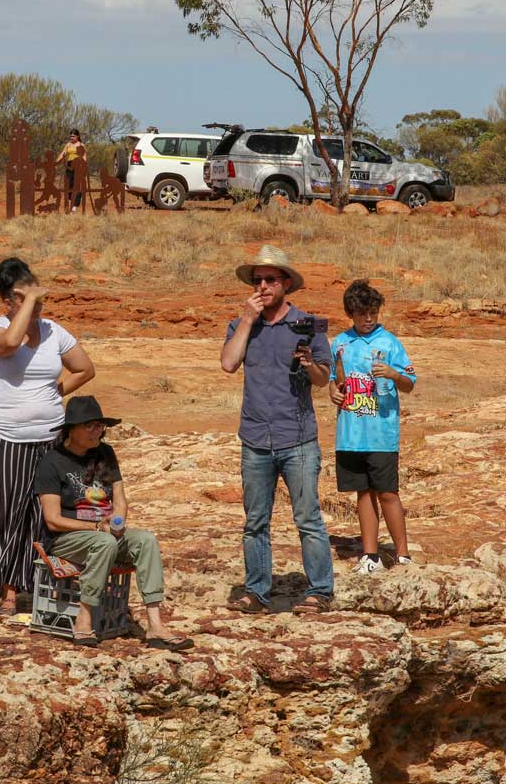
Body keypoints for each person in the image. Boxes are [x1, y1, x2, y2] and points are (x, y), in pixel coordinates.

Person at [218, 243, 334, 613]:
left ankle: (319, 591)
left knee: (308, 518)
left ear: (286, 283)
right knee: (255, 522)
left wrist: (308, 362)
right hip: (255, 438)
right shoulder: (241, 326)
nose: (263, 287)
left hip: (297, 438)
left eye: (271, 279)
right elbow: (228, 363)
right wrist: (248, 319)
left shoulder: (306, 325)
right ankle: (257, 592)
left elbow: (322, 378)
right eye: (258, 281)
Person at [0, 256, 96, 614]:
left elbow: (85, 368)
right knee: (6, 514)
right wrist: (28, 302)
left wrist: (52, 393)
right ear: (9, 300)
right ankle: (7, 590)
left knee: (42, 514)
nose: (37, 305)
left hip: (47, 437)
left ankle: (38, 585)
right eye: (25, 297)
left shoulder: (53, 331)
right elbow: (11, 343)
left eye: (39, 298)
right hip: (3, 436)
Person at [34, 396, 190, 650]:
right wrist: (97, 528)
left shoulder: (106, 453)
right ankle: (84, 618)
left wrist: (117, 522)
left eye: (100, 426)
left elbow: (120, 499)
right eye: (90, 426)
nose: (97, 431)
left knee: (146, 540)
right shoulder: (52, 462)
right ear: (71, 429)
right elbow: (53, 520)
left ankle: (154, 624)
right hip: (67, 539)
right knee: (104, 541)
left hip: (105, 533)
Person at [329, 279, 416, 574]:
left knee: (388, 492)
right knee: (363, 493)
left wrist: (393, 374)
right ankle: (371, 556)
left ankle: (403, 555)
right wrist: (332, 389)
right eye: (362, 313)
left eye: (373, 313)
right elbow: (332, 378)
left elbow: (410, 384)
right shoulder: (339, 343)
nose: (368, 319)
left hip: (381, 434)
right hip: (350, 435)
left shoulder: (390, 343)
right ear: (350, 313)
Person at [55, 129, 87, 212]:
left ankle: (75, 205)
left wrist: (84, 167)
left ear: (78, 136)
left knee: (78, 185)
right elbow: (63, 154)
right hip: (69, 165)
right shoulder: (68, 144)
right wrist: (55, 163)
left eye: (73, 136)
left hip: (79, 166)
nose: (71, 137)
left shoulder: (81, 145)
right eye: (70, 136)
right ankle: (70, 200)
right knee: (69, 184)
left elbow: (84, 157)